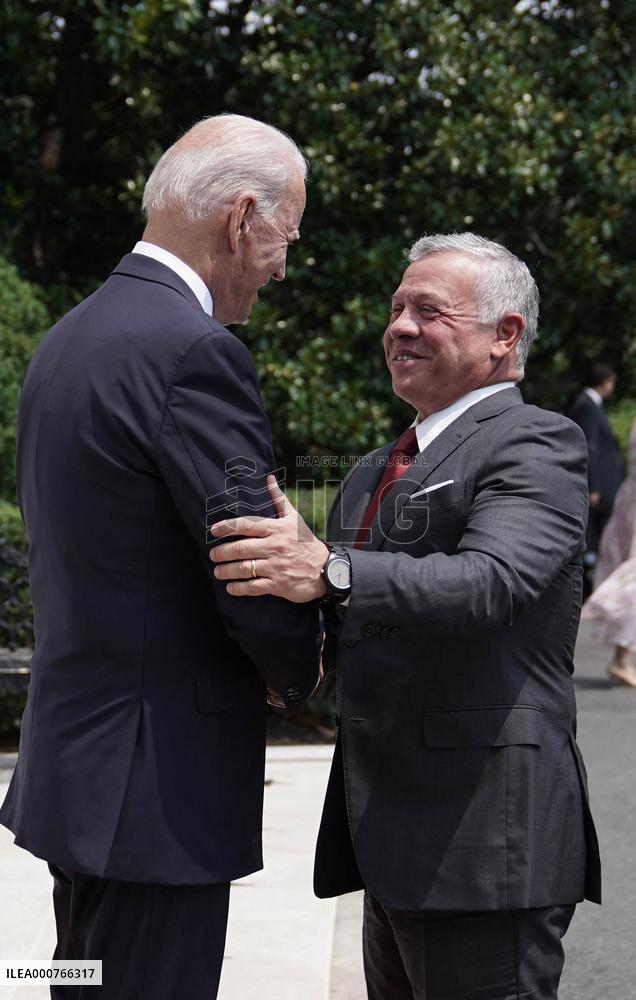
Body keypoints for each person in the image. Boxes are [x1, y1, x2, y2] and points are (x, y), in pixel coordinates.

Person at [210, 232, 601, 1000]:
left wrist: (328, 567)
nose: (400, 326)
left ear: (505, 336)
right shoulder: (371, 471)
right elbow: (354, 615)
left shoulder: (537, 441)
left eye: (429, 310)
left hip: (485, 842)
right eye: (396, 309)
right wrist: (287, 655)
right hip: (390, 844)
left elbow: (493, 582)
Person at [0, 114, 321, 999]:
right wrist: (299, 666)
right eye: (286, 236)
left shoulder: (69, 339)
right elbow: (250, 561)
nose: (284, 264)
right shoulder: (194, 351)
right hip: (155, 793)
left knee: (84, 979)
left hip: (79, 773)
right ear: (242, 217)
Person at [582, 420, 636, 687]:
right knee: (631, 581)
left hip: (629, 504)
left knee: (630, 578)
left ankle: (621, 658)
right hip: (632, 508)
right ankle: (621, 659)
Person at [568, 362, 623, 589]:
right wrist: (594, 486)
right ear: (606, 381)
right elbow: (589, 447)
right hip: (598, 488)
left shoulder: (589, 405)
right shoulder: (587, 407)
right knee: (593, 538)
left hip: (603, 486)